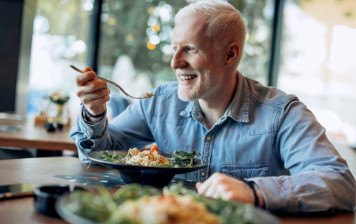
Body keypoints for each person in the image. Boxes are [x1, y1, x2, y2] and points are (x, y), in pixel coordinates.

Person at [71, 0, 355, 212]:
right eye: (174, 48)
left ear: (230, 54)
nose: (175, 62)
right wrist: (94, 113)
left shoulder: (282, 114)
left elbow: (340, 185)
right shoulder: (159, 102)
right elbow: (95, 154)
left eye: (190, 49)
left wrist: (252, 191)